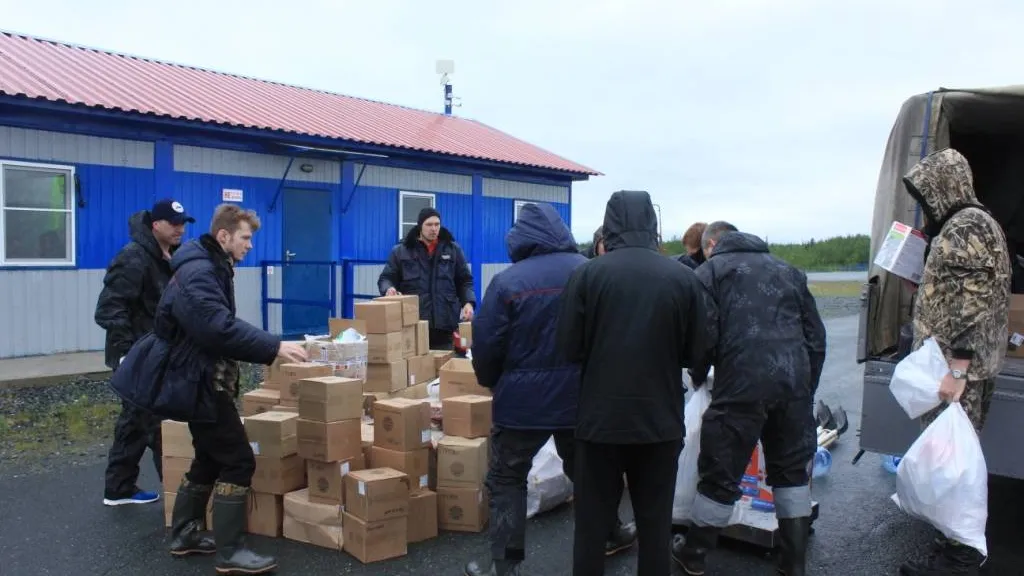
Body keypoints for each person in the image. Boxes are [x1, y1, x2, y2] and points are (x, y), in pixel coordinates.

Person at [463, 203, 636, 576]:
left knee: (508, 478)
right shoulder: (590, 272)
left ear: (520, 237)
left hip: (522, 404)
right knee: (589, 472)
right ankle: (612, 532)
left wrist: (493, 381)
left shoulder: (508, 282)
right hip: (583, 398)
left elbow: (487, 344)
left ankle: (505, 567)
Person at [144, 204, 308, 574]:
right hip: (199, 382)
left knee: (209, 456)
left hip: (200, 378)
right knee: (237, 460)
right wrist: (274, 346)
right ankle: (230, 552)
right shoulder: (200, 271)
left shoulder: (210, 266)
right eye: (246, 237)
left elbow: (218, 324)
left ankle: (185, 534)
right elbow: (216, 327)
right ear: (224, 236)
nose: (250, 245)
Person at [558, 190, 710, 576]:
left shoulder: (587, 274)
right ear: (652, 226)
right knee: (655, 526)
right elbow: (698, 353)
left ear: (609, 226)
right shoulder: (682, 277)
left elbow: (568, 348)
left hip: (599, 421)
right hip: (659, 420)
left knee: (591, 528)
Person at [671, 221, 827, 576]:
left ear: (712, 244)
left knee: (721, 470)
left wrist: (699, 377)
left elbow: (702, 338)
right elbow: (815, 336)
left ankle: (694, 552)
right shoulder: (789, 270)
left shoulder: (710, 273)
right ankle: (794, 564)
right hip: (793, 387)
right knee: (790, 472)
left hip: (741, 387)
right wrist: (805, 387)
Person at [897, 148, 1010, 576]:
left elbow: (972, 303)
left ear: (946, 186)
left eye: (927, 193)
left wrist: (958, 368)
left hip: (957, 371)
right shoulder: (969, 225)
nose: (925, 202)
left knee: (954, 466)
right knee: (952, 463)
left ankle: (960, 557)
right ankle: (953, 549)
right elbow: (955, 291)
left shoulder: (967, 225)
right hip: (955, 368)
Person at [95, 199, 194, 506]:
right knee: (157, 421)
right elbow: (109, 308)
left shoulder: (172, 257)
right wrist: (126, 353)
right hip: (137, 356)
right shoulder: (134, 257)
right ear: (155, 225)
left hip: (160, 353)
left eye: (183, 223)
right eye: (173, 223)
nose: (180, 229)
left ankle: (119, 488)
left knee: (136, 420)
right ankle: (179, 494)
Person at [377, 207, 476, 349]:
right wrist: (389, 289)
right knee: (416, 369)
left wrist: (468, 302)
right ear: (420, 226)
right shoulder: (401, 251)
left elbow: (465, 280)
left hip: (445, 326)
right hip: (413, 324)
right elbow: (386, 278)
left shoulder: (453, 250)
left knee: (445, 366)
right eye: (429, 225)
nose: (433, 229)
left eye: (437, 224)